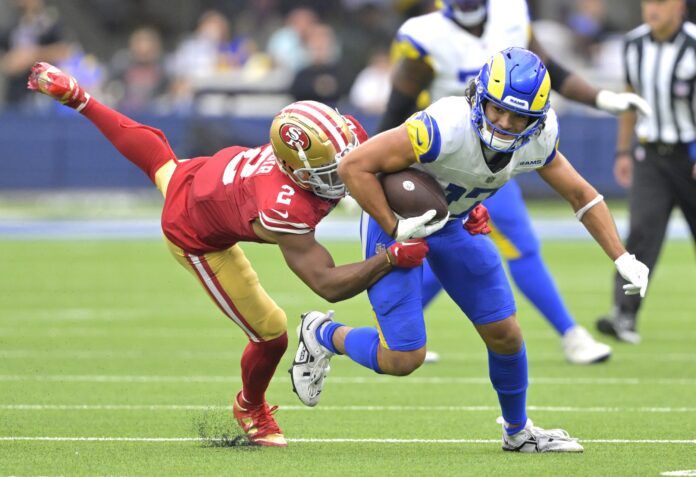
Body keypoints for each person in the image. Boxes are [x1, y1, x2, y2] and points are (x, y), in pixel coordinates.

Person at [27, 62, 429, 447]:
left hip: (195, 174)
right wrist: (389, 258)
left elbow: (152, 151)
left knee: (162, 163)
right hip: (195, 234)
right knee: (271, 332)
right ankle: (250, 408)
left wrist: (79, 98)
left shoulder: (338, 140)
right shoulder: (284, 208)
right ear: (297, 172)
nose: (343, 176)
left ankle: (79, 97)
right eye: (330, 173)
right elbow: (326, 284)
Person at [290, 48, 650, 453]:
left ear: (537, 118)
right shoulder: (445, 125)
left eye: (519, 117)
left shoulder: (541, 135)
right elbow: (354, 166)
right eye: (497, 110)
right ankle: (323, 334)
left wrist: (621, 256)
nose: (505, 123)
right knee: (404, 357)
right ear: (479, 97)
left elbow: (581, 195)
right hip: (394, 221)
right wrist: (395, 228)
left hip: (452, 222)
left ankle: (518, 432)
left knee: (505, 333)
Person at [376, 0, 653, 365]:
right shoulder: (424, 35)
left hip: (497, 159)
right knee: (452, 251)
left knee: (501, 249)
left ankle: (569, 334)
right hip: (443, 156)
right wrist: (377, 170)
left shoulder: (511, 15)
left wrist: (601, 97)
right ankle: (391, 335)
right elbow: (399, 104)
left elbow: (550, 71)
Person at [596, 0, 696, 344]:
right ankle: (623, 314)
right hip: (651, 155)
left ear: (680, 6)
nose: (652, 9)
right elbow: (630, 100)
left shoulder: (693, 44)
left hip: (690, 154)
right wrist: (623, 150)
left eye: (661, 2)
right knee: (641, 232)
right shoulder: (634, 43)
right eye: (648, 2)